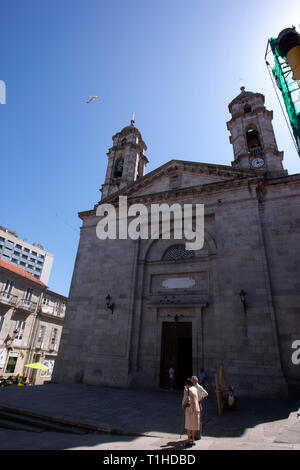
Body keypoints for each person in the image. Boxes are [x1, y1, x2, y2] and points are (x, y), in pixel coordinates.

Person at [182, 378, 200, 446]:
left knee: (189, 424)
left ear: (187, 384)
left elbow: (184, 399)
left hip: (189, 409)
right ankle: (193, 439)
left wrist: (183, 406)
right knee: (194, 424)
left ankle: (189, 439)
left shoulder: (187, 390)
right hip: (196, 409)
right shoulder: (195, 389)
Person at [191, 375, 208, 439]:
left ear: (196, 381)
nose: (192, 381)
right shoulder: (193, 386)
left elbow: (206, 393)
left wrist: (200, 400)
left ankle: (197, 435)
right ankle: (193, 434)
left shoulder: (199, 387)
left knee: (197, 420)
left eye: (193, 380)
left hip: (197, 404)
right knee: (193, 420)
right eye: (192, 380)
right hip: (193, 405)